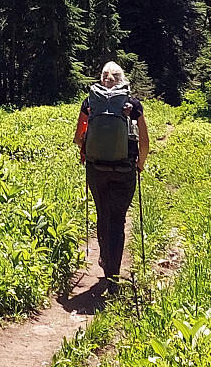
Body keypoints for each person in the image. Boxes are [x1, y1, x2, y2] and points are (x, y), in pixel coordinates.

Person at [73, 61, 149, 293]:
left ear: (102, 79)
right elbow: (144, 141)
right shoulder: (132, 104)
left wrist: (89, 147)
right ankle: (114, 274)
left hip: (96, 170)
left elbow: (78, 138)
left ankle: (106, 263)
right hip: (125, 170)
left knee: (102, 214)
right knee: (118, 218)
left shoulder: (90, 103)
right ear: (122, 79)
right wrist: (140, 164)